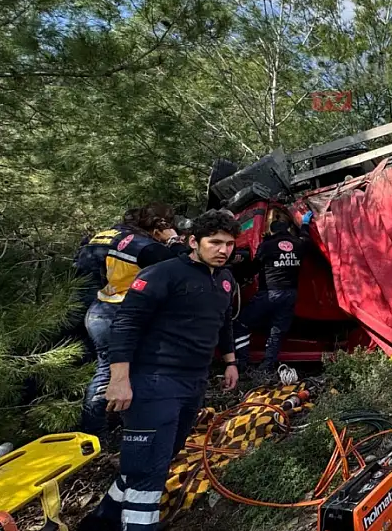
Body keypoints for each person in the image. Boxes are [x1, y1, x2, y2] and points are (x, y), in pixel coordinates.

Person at [77, 210, 241, 531]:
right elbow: (125, 325)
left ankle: (98, 524)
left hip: (193, 382)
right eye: (215, 242)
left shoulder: (224, 279)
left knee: (155, 459)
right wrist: (119, 380)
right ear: (193, 241)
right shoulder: (161, 274)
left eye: (230, 244)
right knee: (148, 472)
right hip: (154, 381)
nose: (223, 250)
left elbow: (223, 323)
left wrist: (231, 362)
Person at [80, 203, 190, 437]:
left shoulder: (105, 236)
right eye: (166, 225)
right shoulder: (140, 245)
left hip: (97, 308)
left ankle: (102, 427)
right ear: (158, 226)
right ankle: (98, 433)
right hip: (119, 315)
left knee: (107, 369)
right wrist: (173, 241)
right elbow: (183, 265)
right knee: (115, 372)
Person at [232, 208, 316, 372]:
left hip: (269, 294)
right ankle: (268, 365)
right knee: (276, 330)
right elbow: (306, 238)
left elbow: (253, 267)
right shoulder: (298, 244)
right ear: (288, 230)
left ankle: (242, 362)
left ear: (271, 230)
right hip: (290, 294)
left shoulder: (267, 246)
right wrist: (305, 223)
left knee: (241, 323)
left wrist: (237, 271)